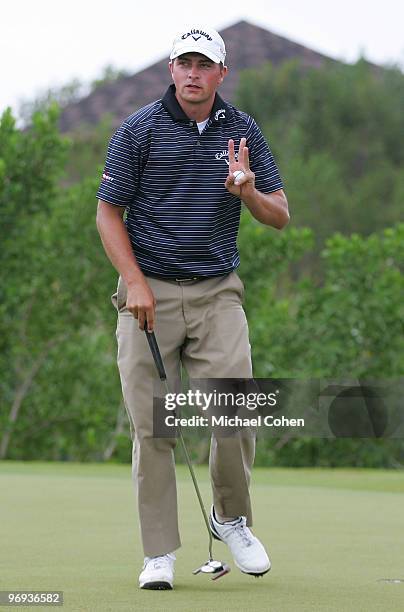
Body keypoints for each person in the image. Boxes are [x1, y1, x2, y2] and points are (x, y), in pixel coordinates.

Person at [96, 25, 289, 590]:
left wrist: (247, 191)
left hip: (217, 293)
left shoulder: (243, 130)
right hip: (147, 294)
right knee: (153, 426)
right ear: (171, 69)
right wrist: (133, 282)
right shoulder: (139, 129)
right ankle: (159, 553)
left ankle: (230, 518)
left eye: (205, 65)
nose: (194, 73)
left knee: (233, 412)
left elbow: (280, 214)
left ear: (221, 73)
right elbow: (108, 213)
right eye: (185, 63)